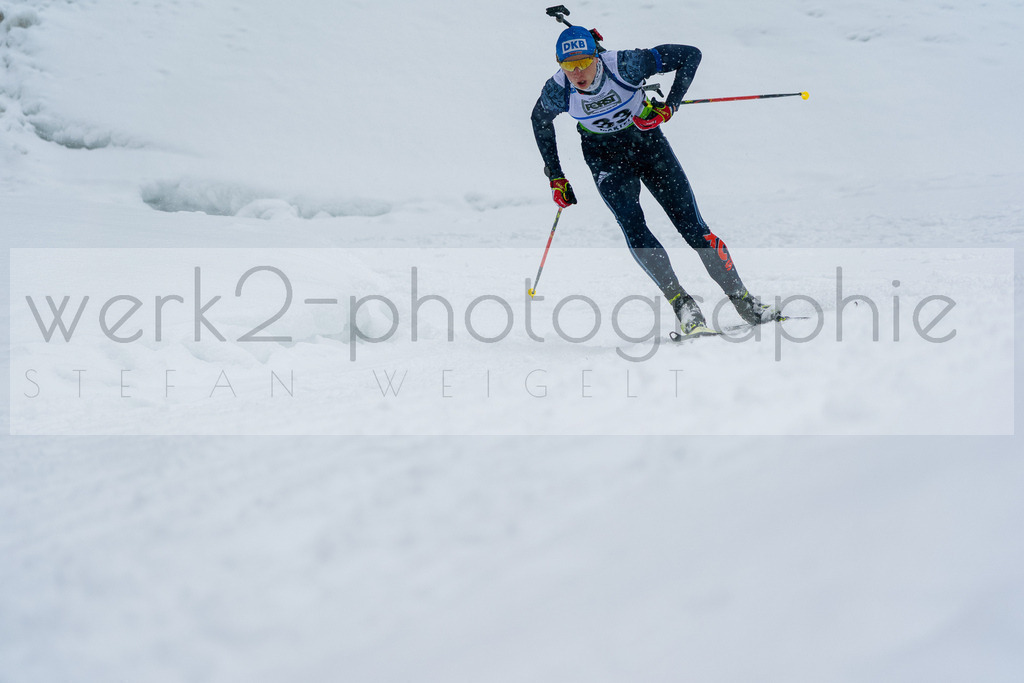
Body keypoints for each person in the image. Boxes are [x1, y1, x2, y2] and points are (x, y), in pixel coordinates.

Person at [531, 25, 777, 338]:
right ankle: (684, 306)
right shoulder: (557, 90)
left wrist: (669, 106)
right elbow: (539, 121)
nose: (578, 72)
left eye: (584, 62)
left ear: (597, 56)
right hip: (604, 159)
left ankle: (745, 301)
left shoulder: (625, 64)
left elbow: (690, 55)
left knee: (692, 226)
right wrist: (556, 176)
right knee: (633, 225)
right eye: (568, 65)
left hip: (647, 145)